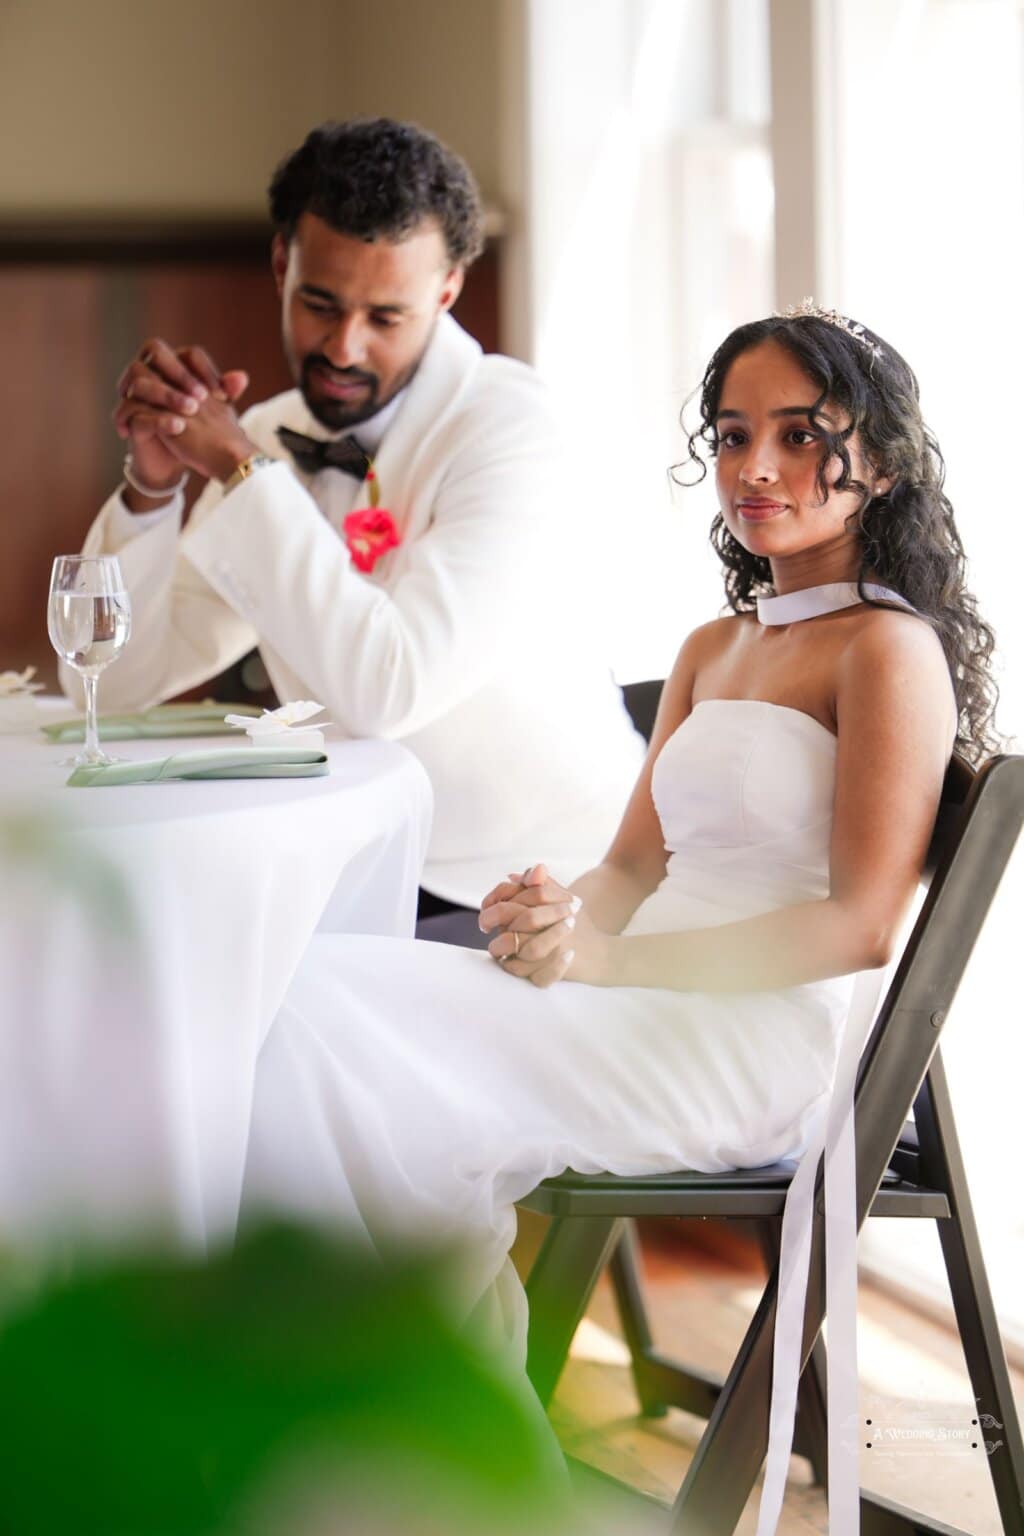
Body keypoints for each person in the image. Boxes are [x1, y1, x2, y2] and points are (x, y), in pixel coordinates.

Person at [238, 303, 999, 1531]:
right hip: (635, 987)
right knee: (300, 996)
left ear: (884, 463)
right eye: (735, 433)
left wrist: (607, 962)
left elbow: (860, 928)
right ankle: (434, 1437)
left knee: (342, 1058)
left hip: (756, 1038)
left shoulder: (886, 653)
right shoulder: (714, 644)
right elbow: (629, 869)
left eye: (802, 437)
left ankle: (430, 1449)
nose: (756, 468)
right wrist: (552, 913)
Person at [65, 118, 645, 938]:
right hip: (363, 882)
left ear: (446, 291)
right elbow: (119, 686)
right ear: (280, 264)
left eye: (386, 315)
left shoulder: (511, 429)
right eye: (320, 303)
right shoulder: (268, 440)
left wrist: (238, 468)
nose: (344, 346)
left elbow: (388, 687)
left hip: (554, 893)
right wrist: (152, 488)